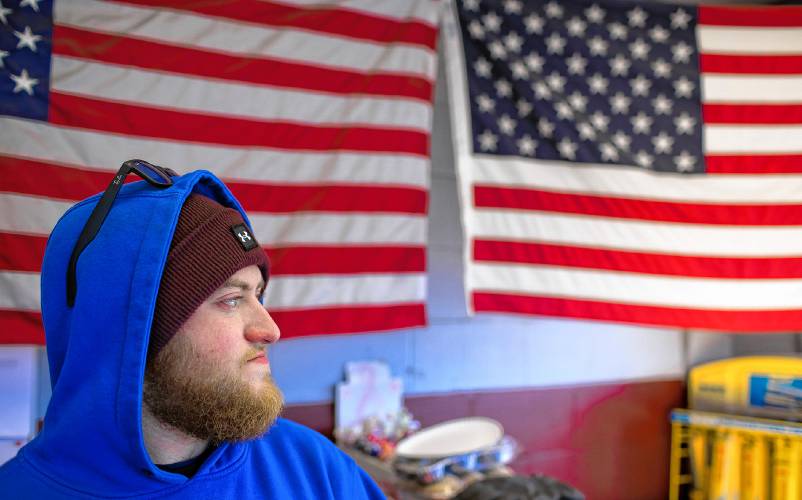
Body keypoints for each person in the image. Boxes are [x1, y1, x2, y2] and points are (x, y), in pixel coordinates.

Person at [0, 161, 385, 499]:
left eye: (258, 295)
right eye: (231, 300)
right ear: (133, 336)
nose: (270, 329)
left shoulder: (316, 469)